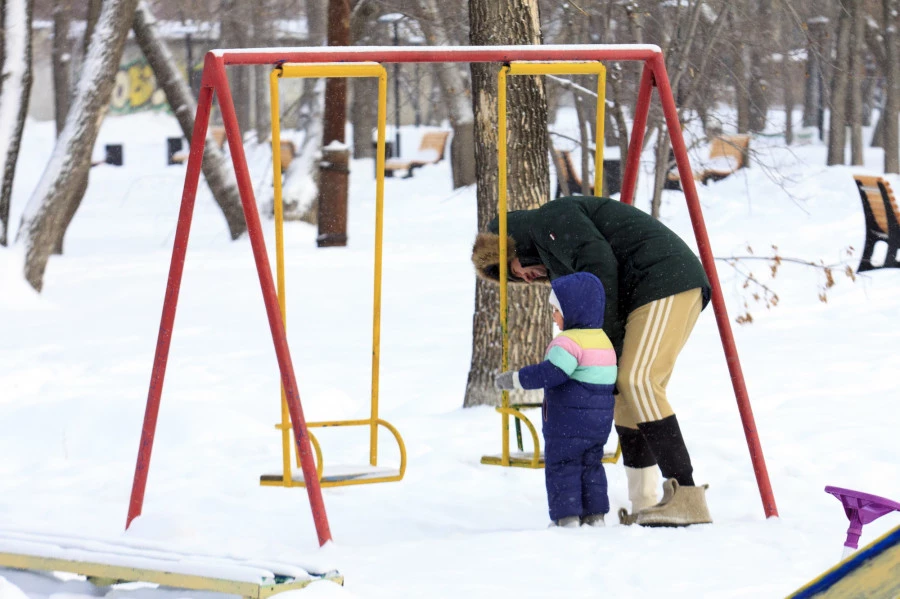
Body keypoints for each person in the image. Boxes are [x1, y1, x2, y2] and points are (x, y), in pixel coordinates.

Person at [473, 195, 713, 527]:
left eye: (511, 270)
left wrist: (604, 347)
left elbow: (600, 266)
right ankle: (644, 503)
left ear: (511, 247)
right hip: (648, 289)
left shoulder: (550, 219)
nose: (523, 279)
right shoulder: (556, 250)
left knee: (637, 380)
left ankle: (687, 495)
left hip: (664, 278)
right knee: (624, 396)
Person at [494, 272, 616, 528]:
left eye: (556, 310)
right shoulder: (604, 341)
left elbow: (553, 373)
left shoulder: (568, 342)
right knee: (591, 465)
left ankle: (567, 517)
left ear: (573, 310)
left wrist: (516, 379)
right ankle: (595, 516)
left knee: (564, 465)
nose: (553, 316)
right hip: (599, 422)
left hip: (569, 422)